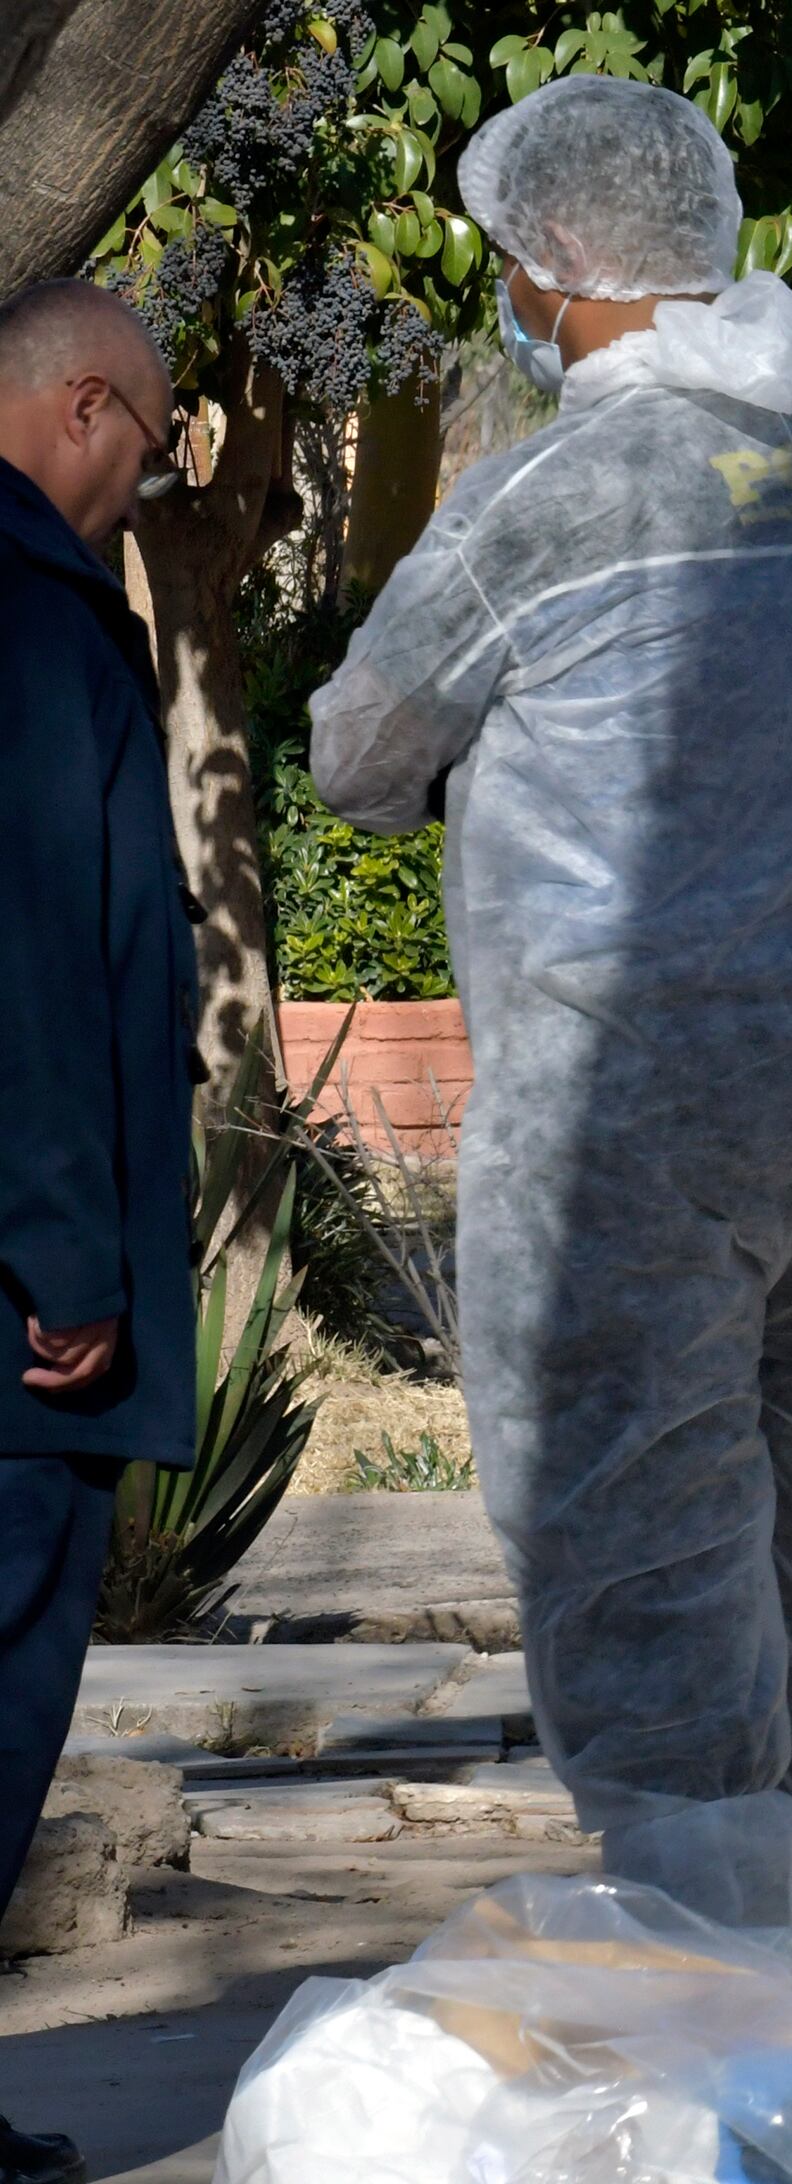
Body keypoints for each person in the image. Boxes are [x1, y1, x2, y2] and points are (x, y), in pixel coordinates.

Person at [309, 77, 792, 1978]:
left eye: (518, 264)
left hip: (636, 1114)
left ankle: (713, 2026)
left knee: (643, 1557)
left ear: (562, 266)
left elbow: (360, 750)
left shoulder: (548, 499)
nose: (508, 293)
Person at [0, 277, 195, 2184]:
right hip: (14, 1324)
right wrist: (69, 1262)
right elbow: (33, 971)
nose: (154, 480)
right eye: (155, 437)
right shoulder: (36, 632)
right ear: (83, 404)